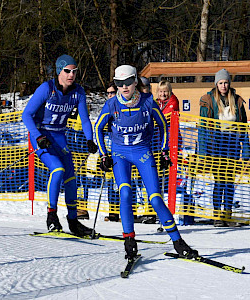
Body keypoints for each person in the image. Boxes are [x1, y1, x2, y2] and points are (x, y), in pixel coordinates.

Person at [94, 64, 198, 260]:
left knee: (155, 198)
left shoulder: (148, 102)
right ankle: (129, 240)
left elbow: (164, 126)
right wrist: (104, 154)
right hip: (120, 154)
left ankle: (178, 242)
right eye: (119, 83)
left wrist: (165, 151)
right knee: (125, 192)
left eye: (127, 83)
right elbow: (98, 128)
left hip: (142, 152)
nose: (124, 87)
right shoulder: (111, 105)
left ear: (135, 82)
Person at [22, 54, 98, 236]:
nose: (71, 75)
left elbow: (85, 119)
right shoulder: (46, 88)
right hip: (41, 135)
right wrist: (38, 136)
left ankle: (73, 221)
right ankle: (51, 216)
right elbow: (26, 115)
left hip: (59, 136)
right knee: (58, 170)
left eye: (74, 71)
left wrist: (90, 139)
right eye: (67, 71)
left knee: (71, 177)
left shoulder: (78, 92)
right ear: (59, 71)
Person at [199, 68, 249, 227]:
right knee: (219, 181)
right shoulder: (208, 100)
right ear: (216, 84)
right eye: (221, 83)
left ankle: (227, 214)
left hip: (232, 145)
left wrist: (246, 150)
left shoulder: (237, 100)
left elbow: (243, 128)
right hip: (216, 145)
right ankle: (217, 215)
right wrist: (203, 151)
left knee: (229, 181)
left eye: (226, 82)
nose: (223, 86)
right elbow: (203, 128)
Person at [104, 82, 120, 222]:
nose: (110, 95)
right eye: (108, 93)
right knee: (110, 182)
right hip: (109, 147)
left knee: (123, 181)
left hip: (121, 148)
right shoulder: (107, 107)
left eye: (112, 93)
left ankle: (128, 212)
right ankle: (113, 211)